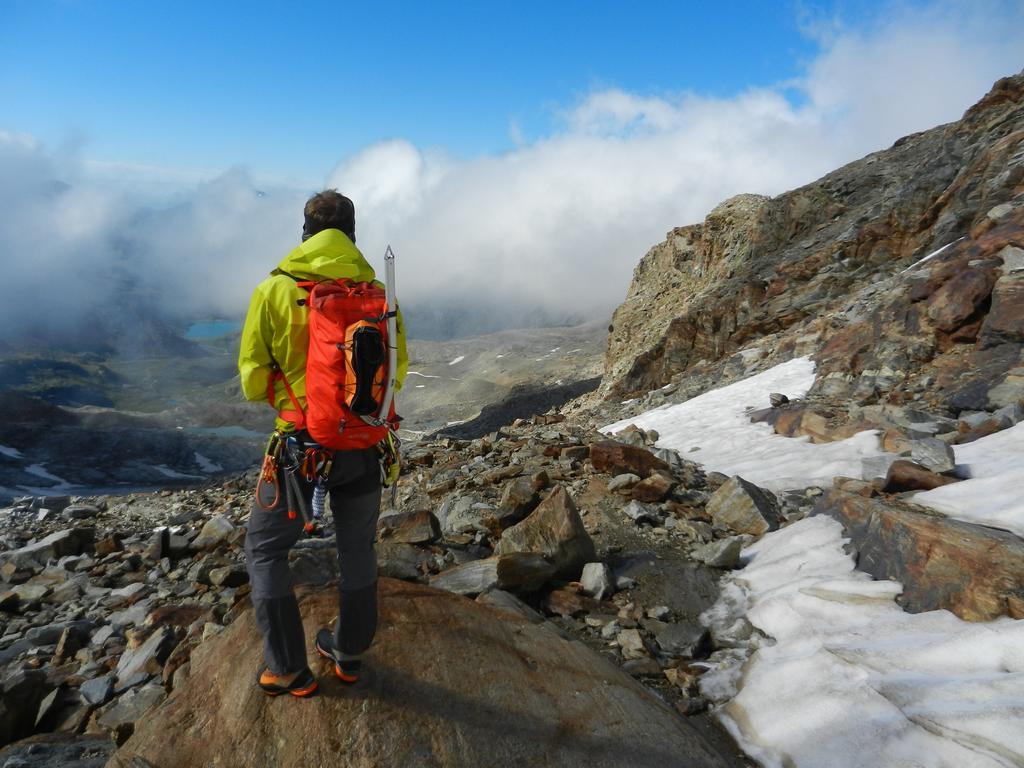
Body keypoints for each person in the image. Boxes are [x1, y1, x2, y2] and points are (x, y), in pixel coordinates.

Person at [237, 190, 408, 697]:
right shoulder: (378, 292)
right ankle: (349, 650)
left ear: (305, 233)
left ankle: (285, 667)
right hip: (363, 445)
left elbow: (251, 380)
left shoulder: (274, 290)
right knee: (357, 545)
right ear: (353, 234)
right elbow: (399, 367)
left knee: (266, 551)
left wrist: (297, 404)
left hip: (300, 450)